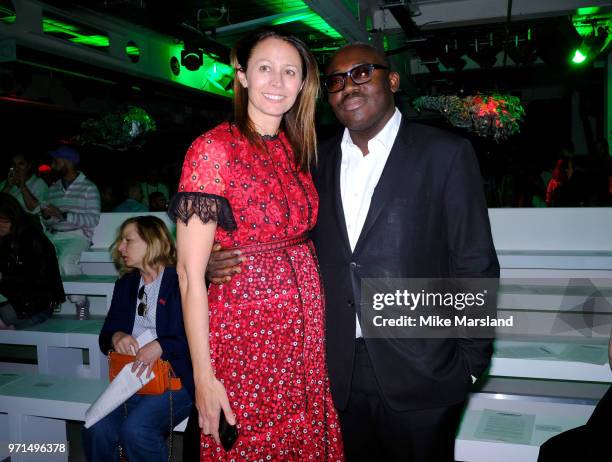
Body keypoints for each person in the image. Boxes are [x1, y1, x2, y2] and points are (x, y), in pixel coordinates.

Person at [208, 43, 499, 462]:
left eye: (362, 73)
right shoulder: (311, 160)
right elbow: (286, 241)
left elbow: (475, 263)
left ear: (392, 80)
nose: (349, 87)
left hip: (424, 371)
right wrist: (217, 261)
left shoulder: (445, 153)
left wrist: (471, 362)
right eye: (336, 81)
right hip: (336, 371)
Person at [169, 28, 344, 460]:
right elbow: (190, 274)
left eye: (290, 72)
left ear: (303, 84)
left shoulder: (296, 147)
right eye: (265, 68)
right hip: (245, 334)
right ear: (242, 74)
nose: (277, 82)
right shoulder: (213, 150)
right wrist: (204, 378)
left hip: (303, 339)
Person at [82, 215, 194, 462]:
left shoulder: (181, 280)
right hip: (134, 378)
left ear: (152, 242)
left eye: (127, 240)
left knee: (136, 431)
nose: (120, 248)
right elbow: (105, 337)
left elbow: (198, 337)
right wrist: (117, 336)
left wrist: (162, 345)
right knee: (95, 427)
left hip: (178, 379)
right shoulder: (126, 284)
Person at [42, 145, 100, 319]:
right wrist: (47, 217)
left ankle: (81, 302)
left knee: (66, 261)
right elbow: (49, 221)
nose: (53, 165)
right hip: (53, 235)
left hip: (77, 235)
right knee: (39, 261)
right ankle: (50, 301)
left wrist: (63, 215)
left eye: (56, 161)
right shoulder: (52, 189)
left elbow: (92, 220)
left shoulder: (89, 187)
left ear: (68, 162)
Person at [0, 193, 65, 329]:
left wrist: (4, 280)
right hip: (19, 302)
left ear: (12, 216)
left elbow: (37, 283)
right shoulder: (6, 240)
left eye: (3, 220)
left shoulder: (31, 237)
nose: (0, 225)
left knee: (4, 316)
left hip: (37, 305)